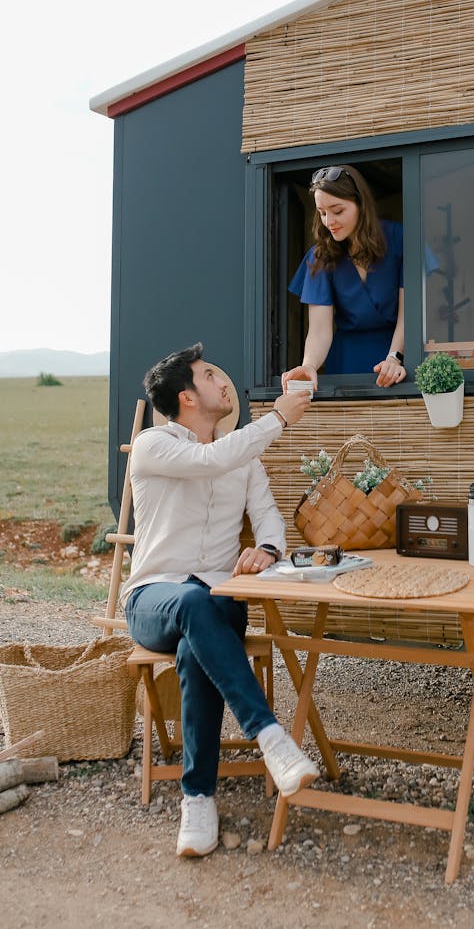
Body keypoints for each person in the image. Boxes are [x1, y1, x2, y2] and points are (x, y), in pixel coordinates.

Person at [122, 343, 318, 858]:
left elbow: (270, 515)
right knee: (190, 604)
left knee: (196, 643)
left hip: (220, 598)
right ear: (186, 397)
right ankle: (271, 738)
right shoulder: (153, 444)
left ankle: (198, 800)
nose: (224, 381)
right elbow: (210, 461)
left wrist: (267, 548)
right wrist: (278, 416)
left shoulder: (242, 457)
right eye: (210, 375)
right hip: (153, 599)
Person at [283, 164, 407, 390]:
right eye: (322, 213)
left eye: (337, 211)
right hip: (346, 361)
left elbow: (411, 312)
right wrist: (309, 365)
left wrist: (394, 357)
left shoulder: (399, 238)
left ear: (361, 204)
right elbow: (319, 330)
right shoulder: (320, 256)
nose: (329, 221)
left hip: (398, 357)